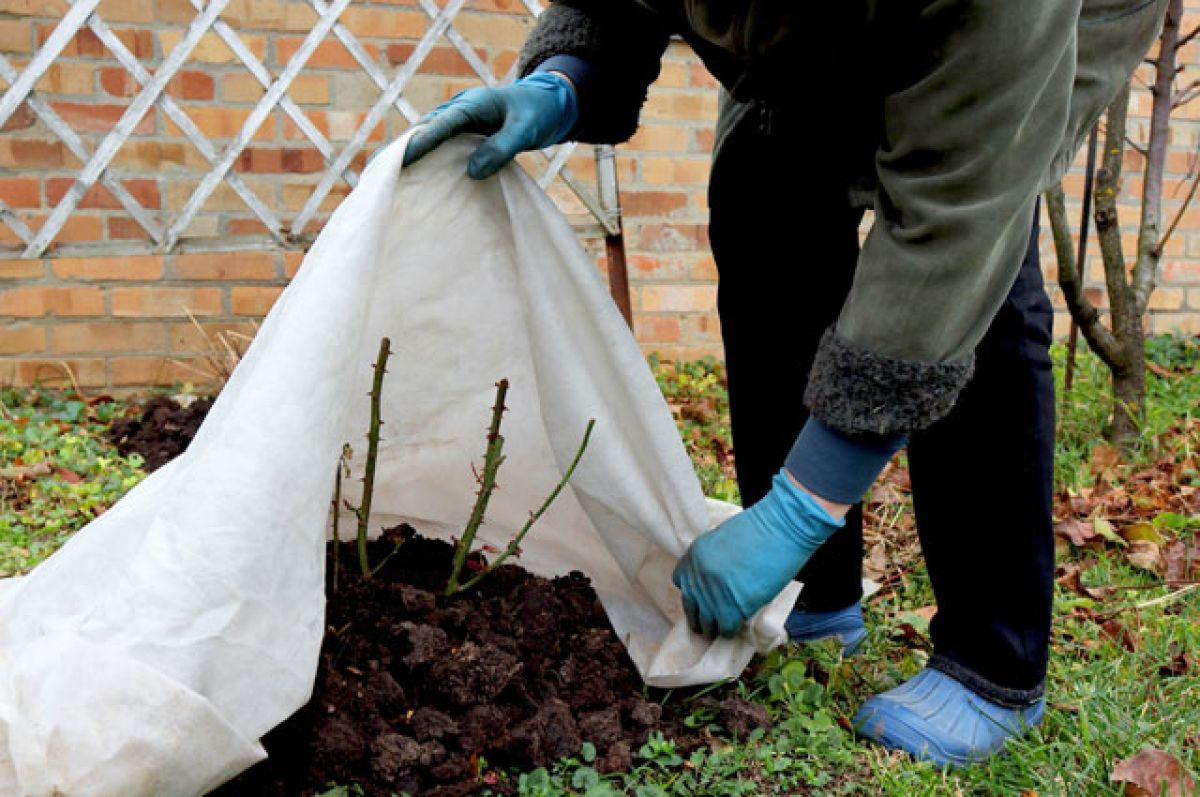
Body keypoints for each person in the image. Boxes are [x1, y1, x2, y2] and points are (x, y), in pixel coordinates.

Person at [402, 0, 1166, 766]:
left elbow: (955, 222)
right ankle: (816, 596)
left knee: (983, 281)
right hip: (822, 28)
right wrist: (570, 76)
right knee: (761, 188)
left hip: (1039, 24)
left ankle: (994, 663)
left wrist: (802, 506)